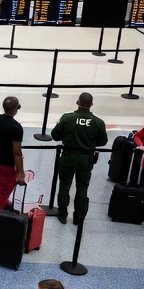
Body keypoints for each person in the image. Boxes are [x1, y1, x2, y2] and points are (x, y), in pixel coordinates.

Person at [49, 92, 108, 224]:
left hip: (68, 157)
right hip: (86, 160)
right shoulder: (98, 122)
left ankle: (62, 215)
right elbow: (103, 141)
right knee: (82, 187)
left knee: (64, 185)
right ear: (91, 104)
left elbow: (55, 135)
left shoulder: (67, 118)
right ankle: (78, 217)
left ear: (78, 102)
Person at [0, 96, 26, 215]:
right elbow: (17, 152)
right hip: (6, 165)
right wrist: (20, 172)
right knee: (4, 191)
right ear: (17, 108)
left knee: (1, 186)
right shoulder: (16, 127)